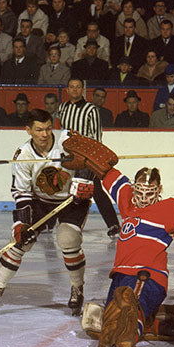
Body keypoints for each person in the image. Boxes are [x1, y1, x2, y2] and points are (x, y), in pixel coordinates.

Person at [71, 142, 174, 347]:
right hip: (121, 276)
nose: (142, 197)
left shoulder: (167, 210)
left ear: (159, 190)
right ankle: (161, 322)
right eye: (138, 191)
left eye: (149, 192)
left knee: (127, 311)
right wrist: (89, 163)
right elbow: (108, 174)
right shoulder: (127, 203)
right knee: (109, 316)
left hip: (146, 275)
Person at [0, 109, 93, 316]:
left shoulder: (66, 141)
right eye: (39, 130)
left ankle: (77, 288)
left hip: (72, 201)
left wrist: (84, 179)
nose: (45, 134)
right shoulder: (23, 154)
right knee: (20, 241)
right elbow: (21, 192)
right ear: (28, 131)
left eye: (48, 128)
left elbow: (92, 159)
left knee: (68, 239)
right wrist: (22, 223)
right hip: (40, 201)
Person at [58, 78, 120, 237]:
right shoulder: (63, 107)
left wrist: (93, 160)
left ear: (83, 90)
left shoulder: (91, 109)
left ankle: (113, 224)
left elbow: (97, 137)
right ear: (67, 89)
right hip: (68, 157)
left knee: (91, 190)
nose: (75, 90)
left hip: (86, 157)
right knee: (67, 187)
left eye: (78, 87)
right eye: (72, 87)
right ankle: (65, 221)